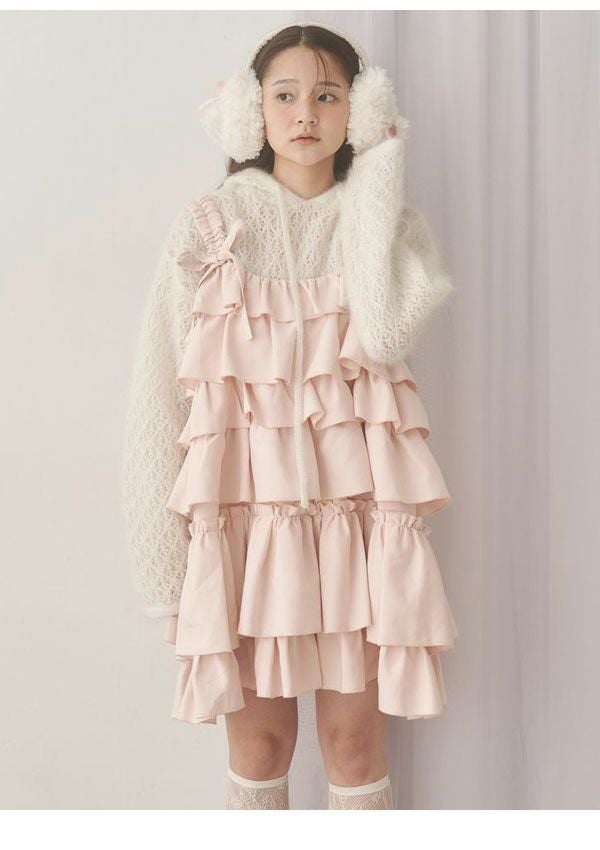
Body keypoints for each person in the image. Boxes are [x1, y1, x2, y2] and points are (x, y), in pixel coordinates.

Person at [121, 20, 459, 810]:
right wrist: (163, 564)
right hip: (247, 529)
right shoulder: (209, 227)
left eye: (329, 96)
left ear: (360, 110)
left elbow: (385, 331)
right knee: (261, 746)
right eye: (284, 95)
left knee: (354, 746)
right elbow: (157, 391)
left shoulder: (390, 227)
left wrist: (378, 171)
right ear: (251, 109)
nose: (306, 112)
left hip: (357, 528)